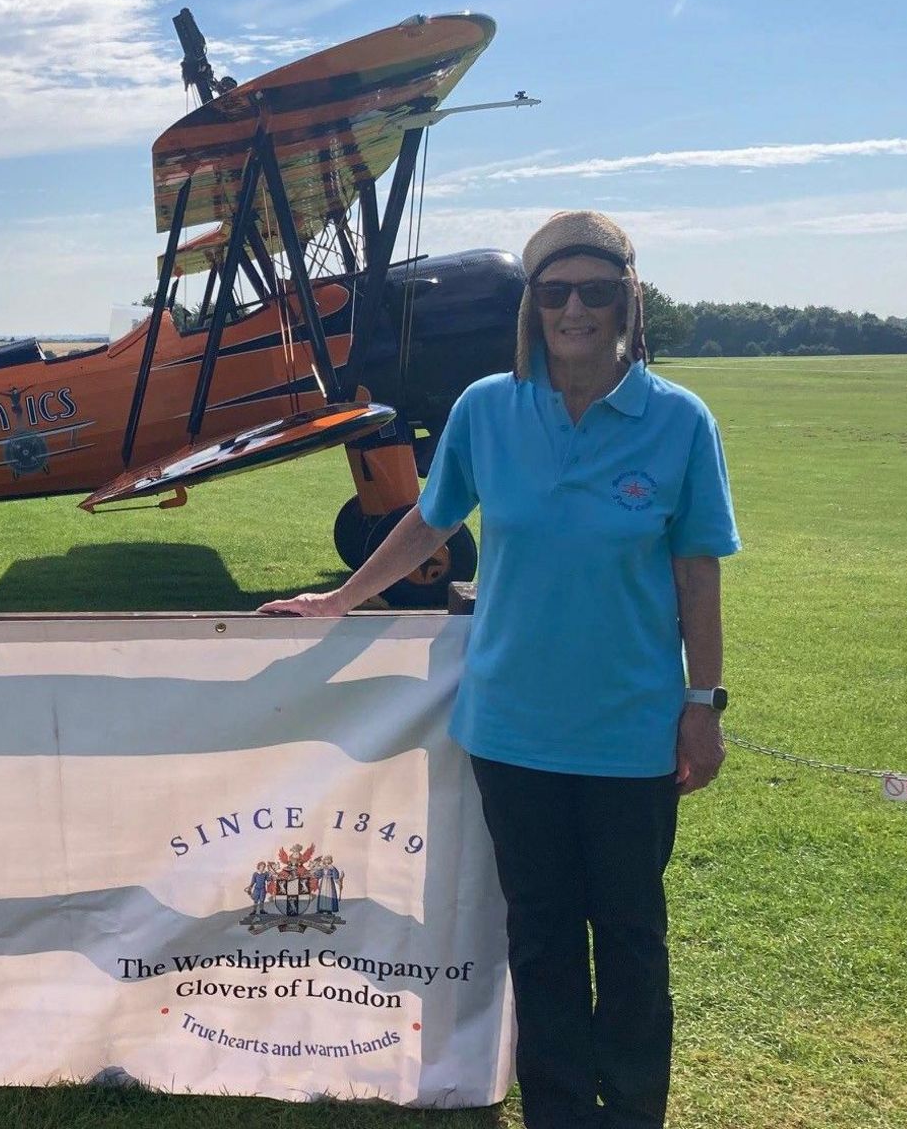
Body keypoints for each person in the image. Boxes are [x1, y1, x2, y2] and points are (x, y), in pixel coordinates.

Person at [262, 211, 740, 1128]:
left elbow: (697, 575)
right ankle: (560, 1111)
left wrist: (701, 705)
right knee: (543, 935)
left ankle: (634, 1108)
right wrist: (338, 601)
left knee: (633, 938)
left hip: (633, 733)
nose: (575, 310)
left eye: (596, 292)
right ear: (533, 306)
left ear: (626, 304)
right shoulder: (487, 407)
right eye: (555, 292)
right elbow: (427, 522)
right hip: (513, 732)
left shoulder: (680, 421)